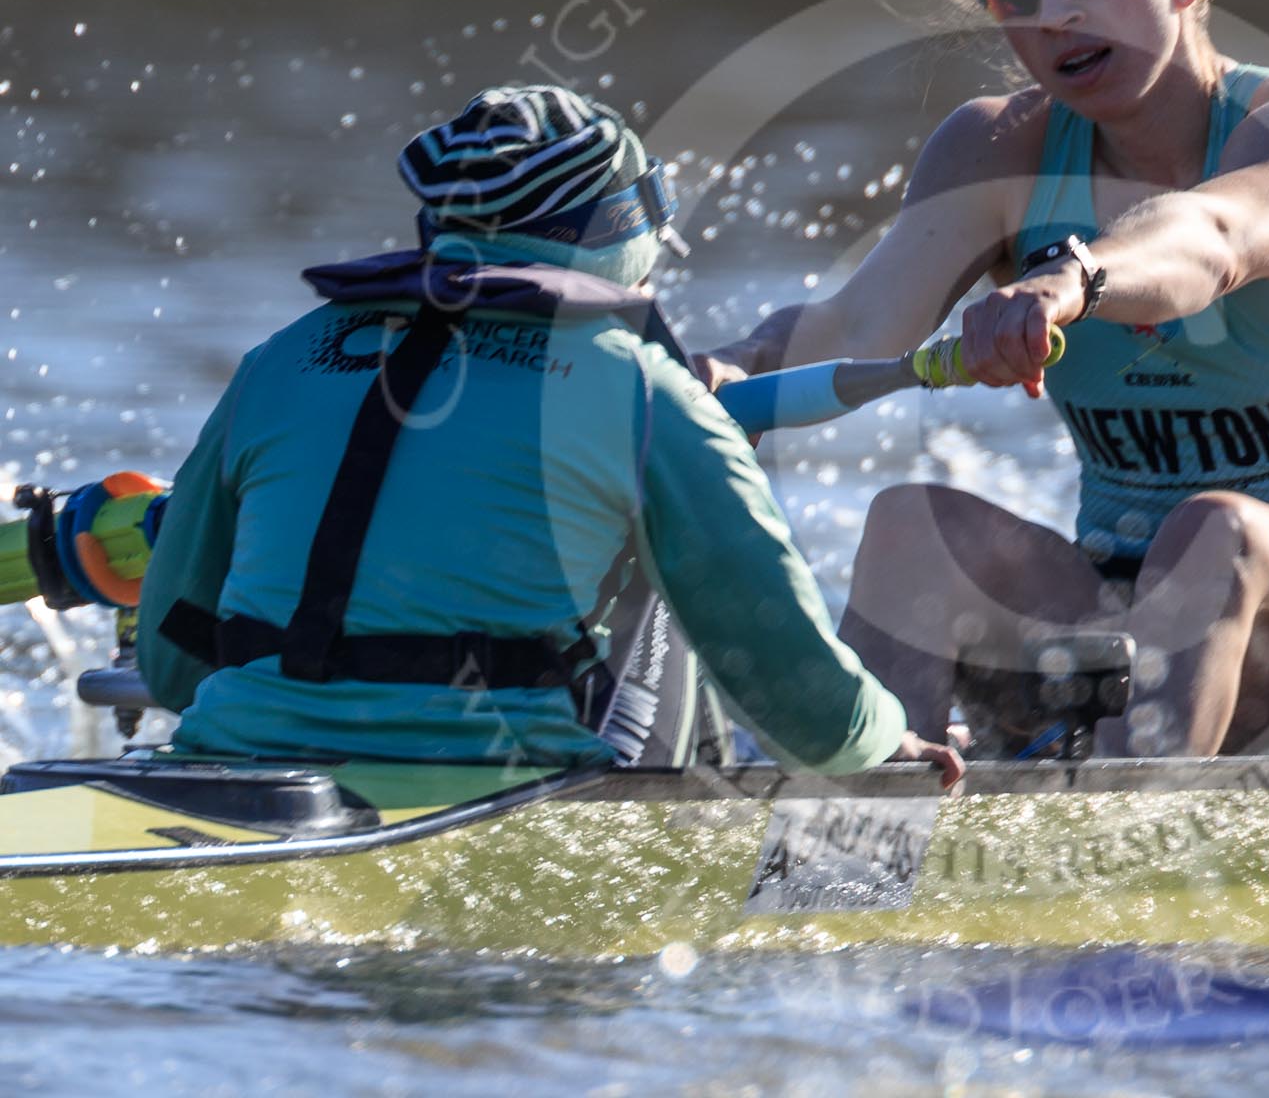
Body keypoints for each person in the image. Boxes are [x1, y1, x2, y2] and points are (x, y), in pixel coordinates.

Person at [697, 0, 1269, 757]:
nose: (1054, 13)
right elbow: (855, 324)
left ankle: (1116, 870)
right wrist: (716, 371)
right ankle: (839, 873)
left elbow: (1213, 242)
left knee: (1217, 532)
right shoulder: (996, 150)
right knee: (911, 530)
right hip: (1128, 616)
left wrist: (1073, 279)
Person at [135, 84, 960, 784]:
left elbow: (171, 668)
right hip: (502, 783)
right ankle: (721, 817)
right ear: (614, 237)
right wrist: (885, 739)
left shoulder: (282, 359)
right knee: (675, 570)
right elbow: (806, 706)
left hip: (241, 766)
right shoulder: (642, 390)